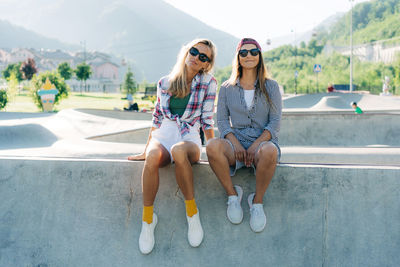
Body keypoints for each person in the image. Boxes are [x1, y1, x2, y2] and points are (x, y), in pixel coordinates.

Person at [127, 39, 217, 254]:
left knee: (178, 151)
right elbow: (156, 118)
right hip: (165, 133)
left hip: (189, 136)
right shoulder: (164, 83)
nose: (196, 57)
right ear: (186, 53)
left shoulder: (208, 83)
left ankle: (192, 214)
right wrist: (147, 148)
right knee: (152, 157)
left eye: (203, 57)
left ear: (207, 64)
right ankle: (148, 220)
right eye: (194, 52)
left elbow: (207, 119)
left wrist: (212, 148)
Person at [206, 38, 282, 233]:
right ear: (238, 57)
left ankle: (257, 202)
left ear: (260, 56)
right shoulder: (226, 88)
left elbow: (274, 123)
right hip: (235, 144)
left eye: (254, 52)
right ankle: (233, 196)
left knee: (270, 151)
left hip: (262, 144)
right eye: (244, 52)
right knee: (213, 145)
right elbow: (222, 122)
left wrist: (256, 145)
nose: (249, 56)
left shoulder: (272, 87)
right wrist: (236, 144)